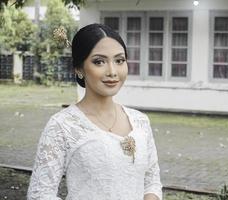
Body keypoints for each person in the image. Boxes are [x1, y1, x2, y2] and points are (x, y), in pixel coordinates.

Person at [27, 23, 162, 200]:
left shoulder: (140, 121)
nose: (112, 71)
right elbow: (40, 194)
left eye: (119, 60)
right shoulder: (63, 126)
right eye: (99, 62)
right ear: (79, 69)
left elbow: (151, 180)